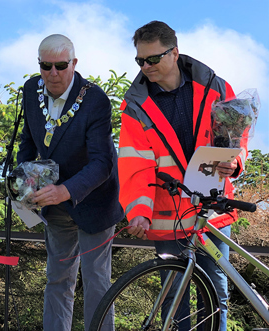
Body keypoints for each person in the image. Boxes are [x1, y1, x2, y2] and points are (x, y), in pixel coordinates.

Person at [119, 21, 248, 330]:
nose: (145, 66)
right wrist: (137, 211)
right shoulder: (135, 106)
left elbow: (237, 139)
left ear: (174, 53)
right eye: (140, 60)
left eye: (152, 58)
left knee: (216, 296)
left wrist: (236, 162)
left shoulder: (216, 87)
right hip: (168, 214)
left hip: (211, 210)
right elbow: (134, 163)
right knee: (172, 298)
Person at [17, 34, 124, 330]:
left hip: (94, 200)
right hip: (52, 201)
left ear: (74, 63)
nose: (53, 73)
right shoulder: (30, 90)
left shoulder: (95, 100)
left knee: (97, 281)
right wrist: (24, 182)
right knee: (57, 278)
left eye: (61, 65)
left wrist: (65, 190)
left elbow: (104, 162)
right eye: (45, 66)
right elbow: (27, 141)